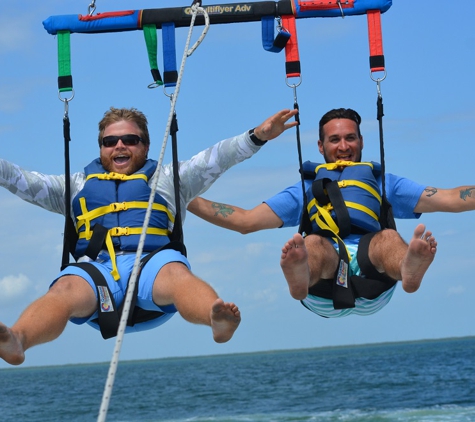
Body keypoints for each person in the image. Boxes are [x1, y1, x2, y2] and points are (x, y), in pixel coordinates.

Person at [0, 106, 298, 366]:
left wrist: (257, 136)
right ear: (100, 148)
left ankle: (215, 318)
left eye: (130, 140)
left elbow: (216, 158)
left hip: (152, 266)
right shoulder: (73, 186)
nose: (120, 146)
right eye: (110, 141)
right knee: (64, 288)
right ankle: (18, 340)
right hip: (97, 273)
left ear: (145, 146)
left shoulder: (169, 180)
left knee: (176, 274)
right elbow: (19, 180)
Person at [187, 107, 475, 318]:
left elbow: (451, 198)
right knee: (310, 244)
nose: (343, 146)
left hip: (376, 280)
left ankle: (408, 269)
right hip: (320, 288)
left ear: (361, 142)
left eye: (350, 138)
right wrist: (183, 196)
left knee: (388, 238)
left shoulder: (382, 183)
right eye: (335, 140)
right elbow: (245, 221)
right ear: (321, 146)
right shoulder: (304, 189)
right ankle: (300, 276)